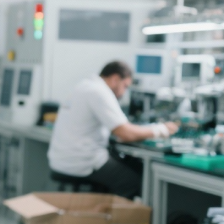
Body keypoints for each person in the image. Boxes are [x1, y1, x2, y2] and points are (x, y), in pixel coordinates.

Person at [47, 60, 179, 199]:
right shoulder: (99, 91)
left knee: (128, 168)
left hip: (60, 160)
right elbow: (126, 133)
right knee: (136, 183)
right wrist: (161, 129)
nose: (124, 92)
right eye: (125, 86)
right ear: (115, 79)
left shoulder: (83, 86)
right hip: (82, 162)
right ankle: (113, 219)